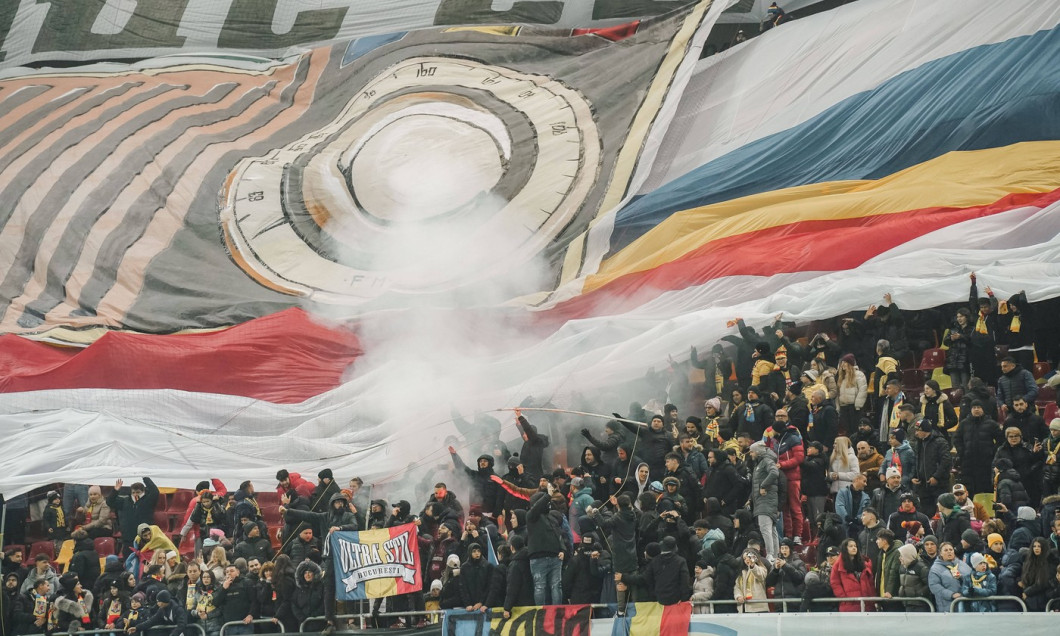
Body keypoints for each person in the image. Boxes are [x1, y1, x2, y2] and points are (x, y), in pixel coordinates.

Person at [955, 401, 1003, 496]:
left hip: (986, 462)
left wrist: (992, 451)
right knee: (970, 490)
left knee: (986, 489)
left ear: (983, 409)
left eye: (978, 407)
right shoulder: (964, 423)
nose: (976, 409)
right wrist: (962, 451)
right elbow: (957, 439)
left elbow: (1000, 440)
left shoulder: (991, 423)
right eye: (974, 407)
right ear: (971, 409)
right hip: (968, 463)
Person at [107, 478, 160, 556]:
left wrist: (145, 478)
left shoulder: (148, 501)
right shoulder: (124, 501)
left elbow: (155, 492)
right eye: (133, 492)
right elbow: (110, 502)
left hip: (144, 538)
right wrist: (115, 490)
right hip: (128, 538)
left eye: (138, 492)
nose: (135, 494)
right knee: (128, 563)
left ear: (143, 492)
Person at [749, 441, 780, 561]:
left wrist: (763, 486)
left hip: (766, 500)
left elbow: (774, 472)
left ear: (757, 451)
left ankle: (771, 555)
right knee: (771, 529)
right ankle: (775, 555)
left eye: (751, 451)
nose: (750, 454)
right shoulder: (760, 463)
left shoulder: (766, 461)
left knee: (765, 528)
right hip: (762, 500)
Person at [911, 420, 951, 506]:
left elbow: (946, 461)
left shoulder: (940, 442)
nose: (916, 433)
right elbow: (917, 461)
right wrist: (915, 476)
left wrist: (936, 477)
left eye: (918, 430)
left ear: (925, 431)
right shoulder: (919, 443)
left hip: (938, 485)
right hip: (923, 485)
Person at [830, 538, 874, 612]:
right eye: (850, 546)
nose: (854, 548)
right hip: (849, 605)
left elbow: (871, 583)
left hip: (867, 604)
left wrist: (873, 600)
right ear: (845, 548)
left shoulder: (864, 564)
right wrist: (844, 598)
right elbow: (835, 583)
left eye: (855, 546)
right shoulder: (838, 565)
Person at [928, 541, 971, 613]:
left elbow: (972, 578)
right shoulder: (935, 569)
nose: (949, 552)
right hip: (947, 608)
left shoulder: (962, 565)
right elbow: (934, 586)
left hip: (966, 606)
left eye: (951, 550)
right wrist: (951, 594)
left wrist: (961, 577)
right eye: (946, 550)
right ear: (940, 553)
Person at [836, 354, 868, 433]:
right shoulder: (842, 377)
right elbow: (838, 393)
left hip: (854, 407)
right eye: (842, 362)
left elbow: (862, 390)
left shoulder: (859, 374)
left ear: (850, 364)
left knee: (855, 429)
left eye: (845, 362)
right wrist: (838, 406)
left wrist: (858, 405)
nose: (842, 365)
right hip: (844, 407)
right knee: (847, 429)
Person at [944, 308, 974, 390]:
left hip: (965, 362)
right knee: (955, 387)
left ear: (967, 317)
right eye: (957, 317)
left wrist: (961, 337)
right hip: (953, 361)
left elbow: (972, 341)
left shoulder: (972, 329)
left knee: (966, 386)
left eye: (961, 316)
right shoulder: (953, 329)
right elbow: (945, 342)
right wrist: (951, 338)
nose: (959, 319)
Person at [896, 543, 931, 611]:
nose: (900, 558)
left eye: (902, 556)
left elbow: (929, 585)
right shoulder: (902, 568)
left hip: (920, 604)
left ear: (908, 556)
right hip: (906, 603)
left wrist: (919, 593)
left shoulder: (921, 568)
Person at [872, 529, 901, 611]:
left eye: (878, 539)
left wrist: (889, 591)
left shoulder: (896, 553)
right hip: (882, 596)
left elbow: (893, 573)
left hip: (891, 597)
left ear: (884, 541)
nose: (876, 542)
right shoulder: (881, 553)